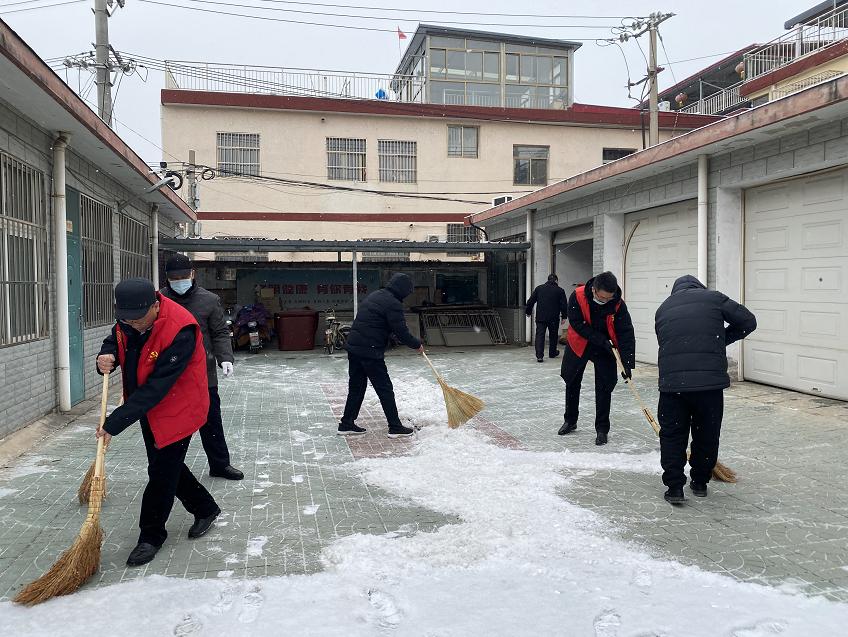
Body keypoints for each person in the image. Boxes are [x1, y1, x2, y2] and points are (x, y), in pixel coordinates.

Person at [96, 278, 221, 566]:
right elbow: (116, 338)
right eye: (127, 320)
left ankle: (151, 536)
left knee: (161, 472)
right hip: (148, 406)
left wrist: (115, 422)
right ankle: (205, 507)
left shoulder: (181, 328)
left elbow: (158, 386)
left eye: (138, 320)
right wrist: (106, 355)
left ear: (155, 305)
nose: (133, 325)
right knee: (166, 464)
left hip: (179, 406)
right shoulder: (131, 317)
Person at [655, 275, 757, 504]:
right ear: (699, 287)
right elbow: (748, 321)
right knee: (707, 433)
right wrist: (720, 340)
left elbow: (664, 341)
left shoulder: (663, 308)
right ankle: (700, 482)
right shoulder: (714, 298)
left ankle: (674, 487)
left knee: (672, 436)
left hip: (673, 386)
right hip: (708, 386)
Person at [160, 254, 243, 481]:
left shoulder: (209, 300)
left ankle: (220, 465)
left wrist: (225, 358)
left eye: (183, 277)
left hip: (203, 374)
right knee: (173, 424)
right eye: (174, 278)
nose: (179, 282)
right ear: (167, 278)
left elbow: (220, 332)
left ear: (192, 274)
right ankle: (171, 469)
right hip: (170, 375)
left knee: (211, 421)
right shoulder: (159, 300)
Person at [338, 273, 424, 438]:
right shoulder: (393, 303)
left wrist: (390, 335)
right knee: (384, 389)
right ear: (402, 290)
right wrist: (416, 344)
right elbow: (401, 331)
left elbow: (377, 323)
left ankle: (346, 423)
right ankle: (395, 427)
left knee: (356, 387)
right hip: (369, 350)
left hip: (355, 347)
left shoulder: (376, 295)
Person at [559, 271, 635, 445]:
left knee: (604, 386)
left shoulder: (618, 303)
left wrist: (627, 363)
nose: (606, 301)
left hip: (605, 347)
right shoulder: (577, 296)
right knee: (572, 380)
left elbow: (626, 333)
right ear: (594, 290)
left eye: (609, 298)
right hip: (580, 342)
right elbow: (577, 324)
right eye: (602, 297)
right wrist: (600, 339)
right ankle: (570, 420)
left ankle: (602, 429)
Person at [525, 273, 568, 363]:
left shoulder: (539, 288)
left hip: (541, 317)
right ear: (556, 281)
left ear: (548, 280)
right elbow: (564, 304)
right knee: (553, 335)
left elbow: (531, 301)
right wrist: (564, 316)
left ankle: (539, 356)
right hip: (553, 317)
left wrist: (528, 312)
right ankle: (552, 353)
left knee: (540, 335)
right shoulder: (560, 290)